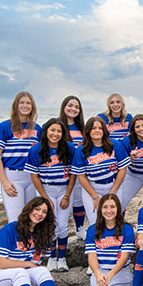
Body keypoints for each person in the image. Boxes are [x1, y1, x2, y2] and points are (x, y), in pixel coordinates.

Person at [25, 118, 76, 272]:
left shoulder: (69, 148)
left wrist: (67, 195)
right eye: (52, 130)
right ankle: (51, 257)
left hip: (64, 189)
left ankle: (62, 258)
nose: (55, 134)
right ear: (46, 131)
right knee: (49, 224)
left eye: (59, 131)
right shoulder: (36, 149)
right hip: (45, 189)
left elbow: (74, 174)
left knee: (62, 225)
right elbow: (34, 176)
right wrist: (44, 198)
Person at [0, 92, 42, 222]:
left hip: (32, 177)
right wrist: (4, 181)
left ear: (32, 106)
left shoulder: (37, 128)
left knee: (33, 217)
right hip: (13, 177)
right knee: (15, 219)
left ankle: (31, 243)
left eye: (28, 103)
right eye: (22, 102)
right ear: (16, 105)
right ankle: (16, 243)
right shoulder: (4, 127)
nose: (25, 106)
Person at [71, 117, 129, 225]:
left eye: (100, 128)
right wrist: (94, 196)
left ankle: (114, 241)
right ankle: (97, 241)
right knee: (95, 220)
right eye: (93, 128)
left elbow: (122, 169)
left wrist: (113, 192)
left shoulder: (115, 145)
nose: (97, 131)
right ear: (88, 131)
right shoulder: (81, 150)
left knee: (114, 218)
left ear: (104, 130)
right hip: (93, 188)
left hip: (113, 185)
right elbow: (81, 177)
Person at [59, 95, 87, 240]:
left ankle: (80, 228)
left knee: (79, 201)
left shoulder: (83, 128)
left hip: (80, 171)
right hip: (62, 171)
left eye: (77, 107)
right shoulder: (57, 126)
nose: (73, 109)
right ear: (64, 107)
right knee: (62, 202)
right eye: (70, 105)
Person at [118, 114, 143, 208]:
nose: (141, 129)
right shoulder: (127, 141)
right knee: (120, 202)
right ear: (133, 129)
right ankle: (118, 221)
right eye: (137, 126)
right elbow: (118, 160)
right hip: (133, 175)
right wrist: (129, 158)